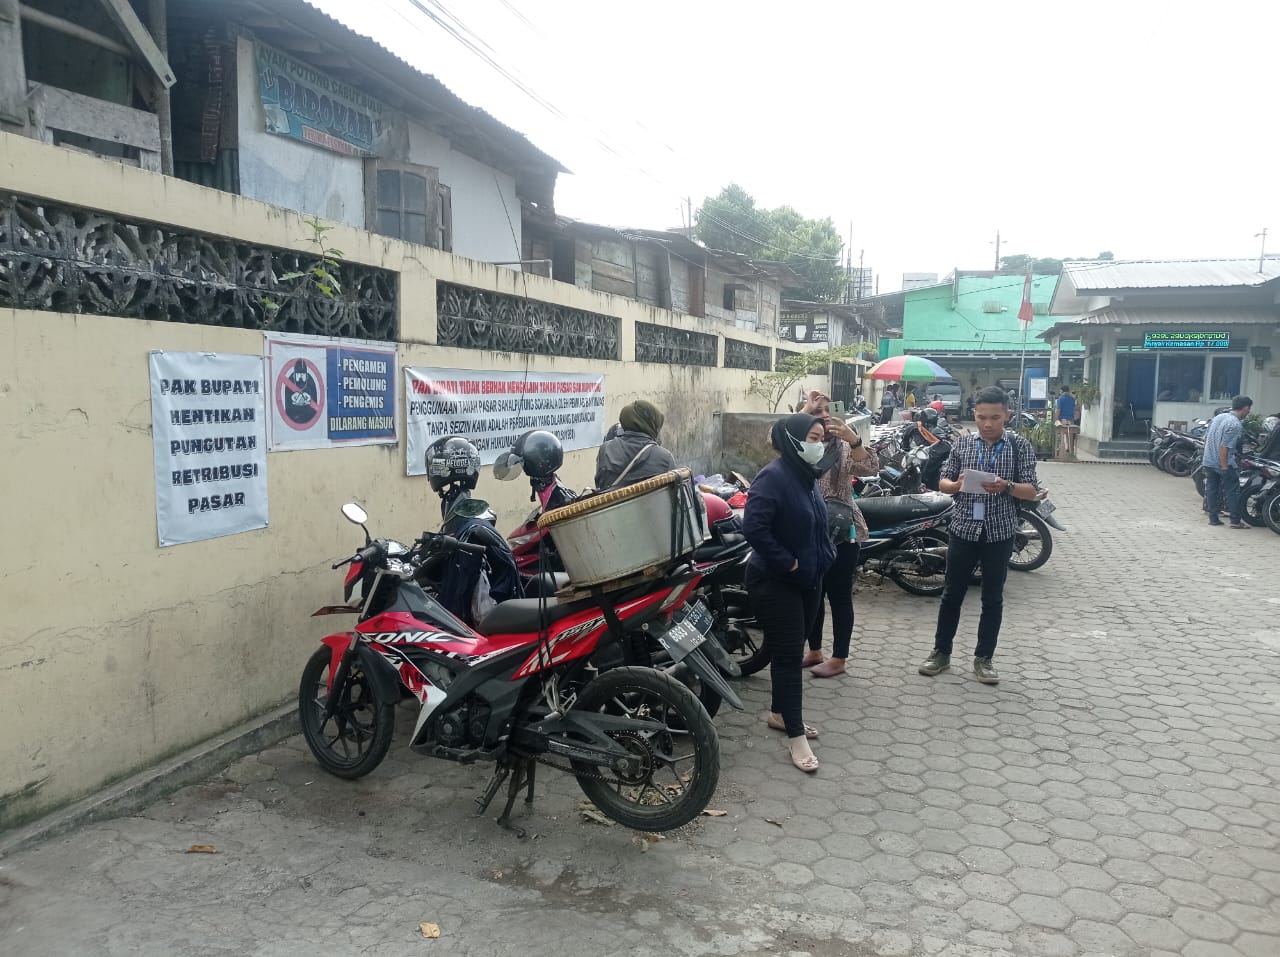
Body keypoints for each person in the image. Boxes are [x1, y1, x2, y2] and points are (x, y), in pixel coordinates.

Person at [917, 386, 1039, 685]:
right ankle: (941, 652)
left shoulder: (1019, 446)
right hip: (963, 530)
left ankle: (984, 659)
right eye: (982, 417)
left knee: (992, 598)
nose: (987, 424)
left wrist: (1007, 486)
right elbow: (942, 482)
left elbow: (1032, 489)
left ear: (1007, 415)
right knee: (951, 595)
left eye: (995, 417)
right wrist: (955, 485)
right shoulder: (962, 445)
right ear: (974, 415)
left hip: (999, 533)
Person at [742, 414, 836, 773]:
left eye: (821, 438)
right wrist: (789, 563)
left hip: (810, 579)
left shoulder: (806, 475)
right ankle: (795, 737)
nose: (819, 444)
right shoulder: (773, 477)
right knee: (786, 658)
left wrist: (823, 558)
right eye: (813, 437)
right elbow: (754, 527)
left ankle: (780, 714)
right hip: (775, 581)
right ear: (794, 440)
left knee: (793, 648)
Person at [798, 393, 880, 678]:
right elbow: (774, 438)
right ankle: (815, 650)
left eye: (826, 410)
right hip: (809, 527)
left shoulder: (845, 445)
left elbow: (870, 467)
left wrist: (852, 437)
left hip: (843, 529)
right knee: (813, 592)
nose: (822, 415)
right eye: (816, 411)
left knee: (839, 594)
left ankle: (839, 658)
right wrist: (805, 410)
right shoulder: (803, 443)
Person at [594, 399, 677, 488]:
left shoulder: (605, 449)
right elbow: (674, 495)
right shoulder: (665, 457)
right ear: (652, 425)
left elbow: (600, 484)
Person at [1202, 395, 1253, 529]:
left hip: (1208, 461)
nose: (1249, 412)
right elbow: (1225, 446)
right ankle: (1235, 521)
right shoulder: (1235, 424)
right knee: (1233, 491)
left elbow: (1206, 438)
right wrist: (1224, 466)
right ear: (1245, 408)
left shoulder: (1218, 417)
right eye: (1249, 409)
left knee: (1212, 490)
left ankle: (1213, 519)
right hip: (1223, 463)